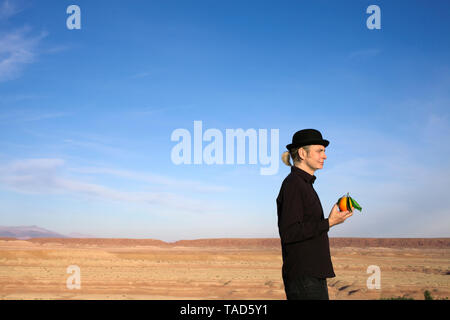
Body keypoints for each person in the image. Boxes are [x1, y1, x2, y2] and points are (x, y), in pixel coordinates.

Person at [276, 128, 353, 300]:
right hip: (304, 277)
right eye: (320, 151)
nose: (324, 156)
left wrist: (330, 220)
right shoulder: (294, 184)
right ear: (303, 153)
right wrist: (329, 222)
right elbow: (289, 232)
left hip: (311, 275)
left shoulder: (304, 184)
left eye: (324, 151)